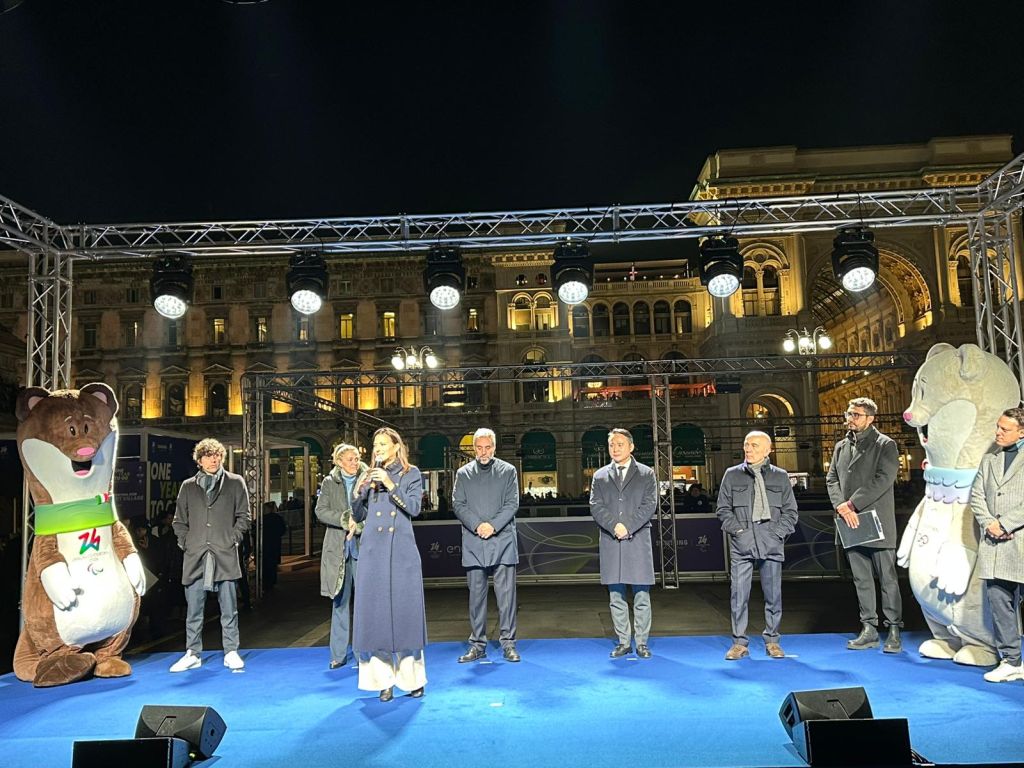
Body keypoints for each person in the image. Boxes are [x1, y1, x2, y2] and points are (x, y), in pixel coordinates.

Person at [351, 427, 427, 701]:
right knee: (376, 616)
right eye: (376, 445)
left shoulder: (411, 473)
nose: (378, 449)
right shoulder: (369, 476)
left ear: (397, 446)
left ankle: (412, 680)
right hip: (373, 551)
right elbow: (358, 514)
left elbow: (414, 508)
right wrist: (358, 492)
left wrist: (391, 484)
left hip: (401, 551)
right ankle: (383, 680)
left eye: (383, 444)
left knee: (405, 615)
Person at [826, 397, 903, 653]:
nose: (850, 418)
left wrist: (852, 504)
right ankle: (869, 629)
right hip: (849, 520)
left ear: (870, 418)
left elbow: (884, 479)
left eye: (856, 415)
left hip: (876, 521)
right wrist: (841, 506)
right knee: (861, 579)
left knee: (887, 579)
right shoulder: (841, 446)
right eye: (848, 414)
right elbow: (831, 478)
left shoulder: (886, 444)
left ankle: (893, 629)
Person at [169, 438, 251, 672]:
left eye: (217, 455)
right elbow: (179, 521)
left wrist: (232, 539)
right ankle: (192, 653)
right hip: (196, 554)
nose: (213, 460)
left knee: (229, 607)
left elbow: (244, 516)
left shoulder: (235, 482)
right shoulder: (188, 486)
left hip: (224, 553)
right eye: (208, 456)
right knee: (194, 609)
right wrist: (186, 543)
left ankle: (231, 651)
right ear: (199, 460)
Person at [716, 430, 798, 660]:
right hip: (742, 546)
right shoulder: (732, 475)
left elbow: (791, 512)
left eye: (754, 445)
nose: (748, 449)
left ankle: (772, 641)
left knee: (773, 596)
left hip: (771, 545)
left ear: (767, 450)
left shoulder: (780, 476)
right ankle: (739, 643)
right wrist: (739, 532)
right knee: (738, 596)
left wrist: (777, 534)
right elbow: (723, 509)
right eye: (746, 445)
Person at [452, 428, 521, 663]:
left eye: (487, 447)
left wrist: (492, 526)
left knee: (506, 598)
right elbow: (458, 504)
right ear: (473, 449)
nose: (483, 452)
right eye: (479, 448)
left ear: (494, 447)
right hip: (474, 542)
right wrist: (477, 525)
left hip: (502, 542)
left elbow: (512, 503)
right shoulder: (463, 474)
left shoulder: (508, 471)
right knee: (476, 599)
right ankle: (477, 645)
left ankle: (508, 643)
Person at [589, 428, 658, 659]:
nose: (615, 448)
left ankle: (642, 643)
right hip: (611, 540)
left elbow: (649, 505)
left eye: (620, 444)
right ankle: (623, 642)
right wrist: (614, 526)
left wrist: (627, 526)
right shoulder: (600, 476)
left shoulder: (646, 474)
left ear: (631, 447)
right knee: (616, 595)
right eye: (612, 445)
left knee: (641, 594)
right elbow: (595, 506)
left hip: (637, 539)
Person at [970, 407, 1024, 682]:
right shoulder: (989, 459)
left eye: (1005, 429)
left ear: (1021, 432)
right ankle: (1011, 661)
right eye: (998, 427)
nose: (998, 432)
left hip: (1019, 540)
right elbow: (976, 495)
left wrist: (1006, 524)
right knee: (1000, 602)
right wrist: (990, 523)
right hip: (994, 544)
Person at [315, 443, 368, 669]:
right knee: (340, 602)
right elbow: (320, 511)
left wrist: (360, 525)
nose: (355, 463)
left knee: (365, 603)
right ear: (339, 462)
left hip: (363, 548)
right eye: (350, 459)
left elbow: (375, 510)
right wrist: (346, 520)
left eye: (356, 458)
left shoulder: (367, 480)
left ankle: (364, 653)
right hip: (337, 550)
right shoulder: (329, 482)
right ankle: (338, 654)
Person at [260, 501, 286, 590]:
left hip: (264, 545)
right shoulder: (278, 518)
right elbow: (283, 530)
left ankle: (265, 583)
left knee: (264, 564)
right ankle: (272, 582)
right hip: (274, 544)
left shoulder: (261, 519)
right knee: (273, 564)